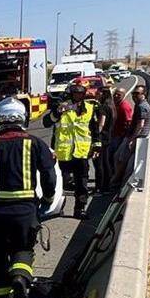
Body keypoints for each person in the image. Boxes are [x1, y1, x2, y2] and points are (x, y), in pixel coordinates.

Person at [0, 96, 58, 298]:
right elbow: (49, 174)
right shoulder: (35, 143)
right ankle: (20, 277)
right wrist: (47, 199)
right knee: (24, 249)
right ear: (23, 118)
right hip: (25, 209)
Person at [44, 87, 94, 218]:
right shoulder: (62, 107)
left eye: (80, 94)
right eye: (75, 93)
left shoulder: (89, 108)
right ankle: (57, 207)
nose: (77, 96)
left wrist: (96, 147)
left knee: (82, 184)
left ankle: (80, 209)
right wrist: (58, 112)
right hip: (63, 154)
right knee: (61, 183)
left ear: (83, 95)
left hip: (81, 153)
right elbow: (47, 122)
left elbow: (94, 130)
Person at [105, 85, 137, 192]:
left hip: (119, 137)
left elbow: (128, 122)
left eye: (119, 95)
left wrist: (125, 137)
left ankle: (115, 180)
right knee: (110, 158)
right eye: (115, 94)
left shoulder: (124, 106)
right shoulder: (115, 105)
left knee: (116, 158)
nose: (116, 96)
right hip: (114, 135)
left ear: (123, 95)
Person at [92, 87, 114, 195]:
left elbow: (101, 124)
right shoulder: (111, 106)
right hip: (108, 138)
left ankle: (99, 187)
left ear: (103, 94)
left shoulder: (103, 108)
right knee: (105, 163)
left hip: (101, 138)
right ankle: (107, 186)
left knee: (99, 164)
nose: (96, 95)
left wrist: (96, 134)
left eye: (98, 93)